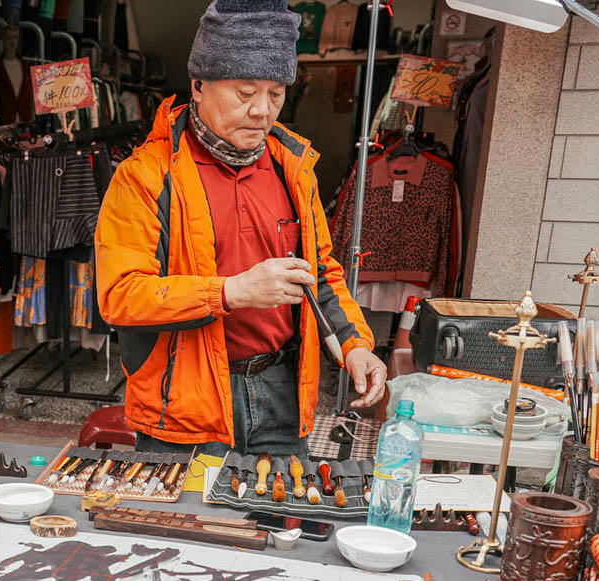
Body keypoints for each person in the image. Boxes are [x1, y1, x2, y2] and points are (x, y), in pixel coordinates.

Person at [95, 0, 386, 459]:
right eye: (245, 92)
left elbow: (321, 274)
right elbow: (120, 296)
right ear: (199, 85)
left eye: (275, 93)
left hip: (281, 397)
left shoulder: (294, 169)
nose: (261, 111)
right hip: (183, 405)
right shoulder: (145, 176)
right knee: (187, 527)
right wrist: (230, 292)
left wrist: (354, 346)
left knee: (276, 524)